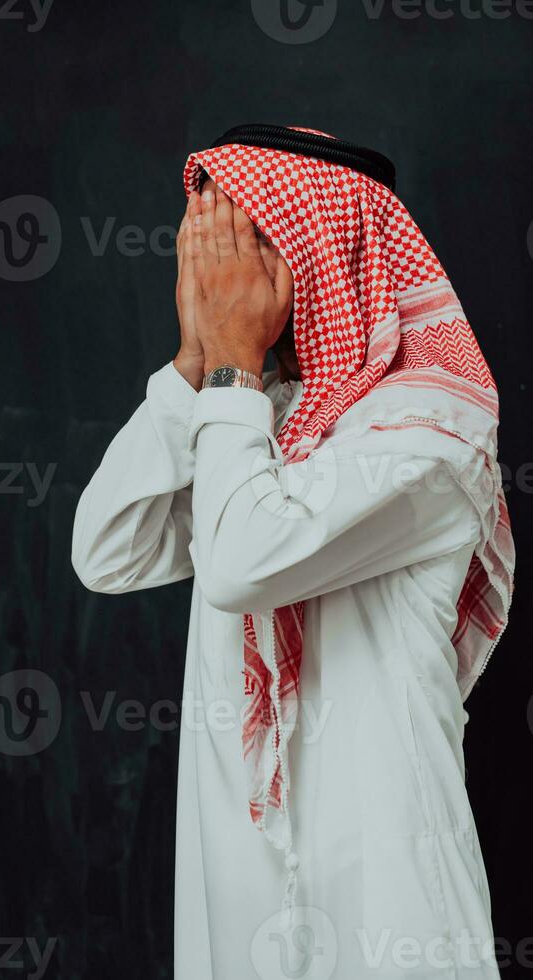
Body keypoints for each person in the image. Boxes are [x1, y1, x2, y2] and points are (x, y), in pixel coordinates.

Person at [72, 126, 515, 979]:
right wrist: (197, 363)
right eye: (208, 251)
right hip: (243, 890)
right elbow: (108, 552)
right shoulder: (257, 411)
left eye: (241, 243)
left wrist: (232, 374)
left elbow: (242, 563)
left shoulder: (434, 428)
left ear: (326, 250)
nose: (217, 279)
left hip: (383, 896)